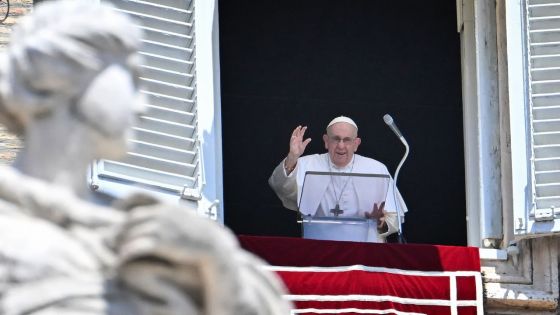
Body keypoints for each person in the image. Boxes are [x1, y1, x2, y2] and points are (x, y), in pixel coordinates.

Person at [0, 1, 291, 314]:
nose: (143, 105)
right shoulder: (11, 228)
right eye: (132, 77)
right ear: (60, 74)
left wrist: (215, 262)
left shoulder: (157, 232)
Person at [269, 116, 406, 242]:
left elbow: (394, 219)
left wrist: (381, 222)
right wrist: (292, 157)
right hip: (318, 250)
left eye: (347, 140)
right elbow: (280, 188)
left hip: (365, 252)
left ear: (356, 143)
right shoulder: (306, 164)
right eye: (335, 139)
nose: (341, 146)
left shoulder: (376, 169)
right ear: (326, 141)